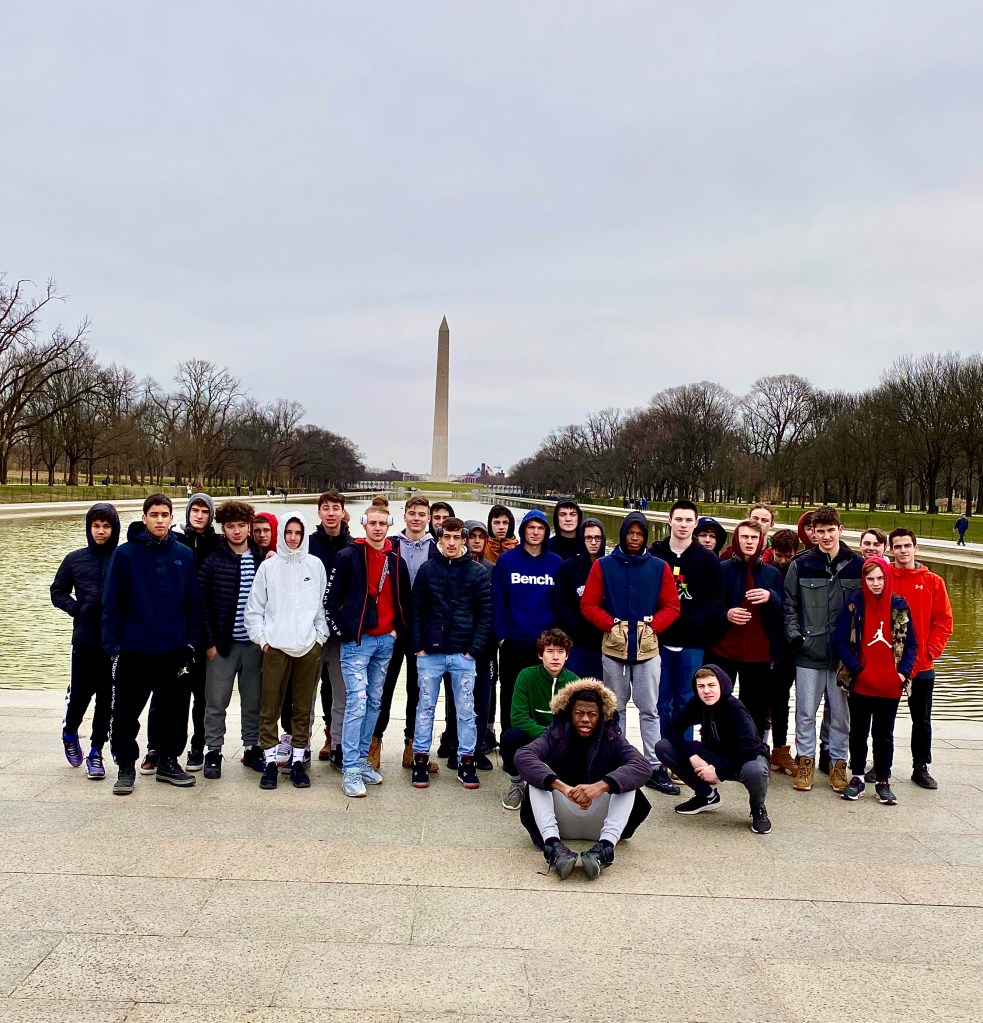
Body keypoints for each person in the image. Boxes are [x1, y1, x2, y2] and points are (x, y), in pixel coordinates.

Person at [102, 494, 201, 795]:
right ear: (144, 518)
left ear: (172, 518)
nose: (160, 519)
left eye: (164, 514)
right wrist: (113, 647)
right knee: (125, 712)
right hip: (135, 650)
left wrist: (190, 642)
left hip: (174, 650)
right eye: (154, 514)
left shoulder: (184, 554)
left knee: (175, 710)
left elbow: (193, 604)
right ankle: (125, 766)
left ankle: (169, 761)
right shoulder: (125, 554)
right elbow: (112, 603)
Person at [580, 511, 681, 795]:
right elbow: (588, 604)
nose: (634, 538)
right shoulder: (603, 565)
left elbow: (672, 606)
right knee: (615, 709)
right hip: (614, 648)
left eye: (639, 533)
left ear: (645, 536)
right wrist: (610, 624)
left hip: (647, 649)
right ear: (623, 534)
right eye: (630, 533)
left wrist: (654, 626)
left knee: (650, 709)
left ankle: (654, 766)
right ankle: (618, 762)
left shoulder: (659, 567)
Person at [514, 679, 652, 879]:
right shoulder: (555, 734)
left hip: (601, 822)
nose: (585, 719)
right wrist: (564, 788)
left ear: (601, 715)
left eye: (592, 714)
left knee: (627, 779)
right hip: (561, 819)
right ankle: (553, 847)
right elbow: (523, 756)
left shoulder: (612, 738)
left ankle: (604, 849)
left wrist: (600, 787)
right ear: (570, 713)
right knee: (538, 774)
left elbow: (643, 766)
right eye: (579, 713)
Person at [325, 500, 411, 798]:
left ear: (389, 526)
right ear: (364, 525)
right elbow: (330, 601)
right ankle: (349, 767)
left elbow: (405, 601)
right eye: (372, 523)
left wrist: (396, 631)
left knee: (375, 701)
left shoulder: (396, 561)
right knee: (357, 702)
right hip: (357, 642)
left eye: (382, 523)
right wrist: (346, 633)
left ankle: (361, 758)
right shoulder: (347, 556)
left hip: (385, 641)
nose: (377, 528)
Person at [783, 506, 863, 793]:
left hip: (844, 656)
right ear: (813, 533)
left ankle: (838, 764)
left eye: (831, 530)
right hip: (809, 651)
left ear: (840, 530)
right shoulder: (801, 565)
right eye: (821, 531)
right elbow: (789, 605)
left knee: (841, 715)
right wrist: (796, 637)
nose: (826, 536)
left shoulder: (857, 565)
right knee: (805, 712)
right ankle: (806, 762)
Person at [245, 513, 328, 790]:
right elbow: (254, 609)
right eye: (288, 532)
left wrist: (319, 638)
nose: (293, 538)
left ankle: (298, 760)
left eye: (298, 533)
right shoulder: (269, 568)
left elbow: (321, 607)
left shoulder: (315, 565)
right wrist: (263, 640)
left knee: (302, 707)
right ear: (282, 533)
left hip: (308, 647)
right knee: (270, 706)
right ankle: (270, 761)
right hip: (276, 647)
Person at [409, 517, 492, 790]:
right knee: (425, 709)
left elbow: (485, 615)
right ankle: (420, 760)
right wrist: (419, 646)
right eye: (447, 537)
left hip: (462, 654)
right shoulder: (427, 569)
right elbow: (416, 610)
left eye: (457, 538)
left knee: (466, 711)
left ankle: (466, 761)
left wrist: (473, 650)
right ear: (440, 539)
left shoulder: (477, 572)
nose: (452, 543)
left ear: (464, 539)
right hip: (430, 652)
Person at [833, 556, 917, 805]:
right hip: (862, 682)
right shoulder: (855, 604)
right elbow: (840, 641)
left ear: (887, 577)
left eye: (880, 578)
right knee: (858, 732)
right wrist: (856, 669)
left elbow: (911, 644)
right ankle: (857, 777)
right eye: (870, 579)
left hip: (890, 684)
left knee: (884, 735)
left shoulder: (899, 605)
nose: (876, 583)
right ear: (864, 580)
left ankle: (883, 780)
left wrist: (903, 673)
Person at [655, 665, 772, 834]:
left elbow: (750, 748)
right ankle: (706, 796)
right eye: (701, 686)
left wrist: (718, 772)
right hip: (714, 753)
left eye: (711, 685)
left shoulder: (734, 708)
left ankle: (758, 808)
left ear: (722, 685)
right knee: (664, 747)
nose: (706, 691)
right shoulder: (697, 703)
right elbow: (672, 728)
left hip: (743, 758)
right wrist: (692, 756)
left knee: (756, 770)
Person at [50, 502, 121, 779]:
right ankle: (70, 732)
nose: (100, 531)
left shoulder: (122, 558)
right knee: (79, 695)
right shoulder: (75, 559)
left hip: (113, 641)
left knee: (107, 698)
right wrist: (77, 608)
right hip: (84, 638)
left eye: (106, 526)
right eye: (96, 526)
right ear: (89, 528)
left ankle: (96, 752)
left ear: (114, 529)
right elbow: (57, 592)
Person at [650, 500, 724, 759]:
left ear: (695, 523)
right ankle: (662, 754)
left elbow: (715, 601)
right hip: (658, 640)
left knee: (686, 700)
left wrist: (689, 622)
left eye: (688, 520)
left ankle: (683, 755)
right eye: (678, 519)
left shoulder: (708, 560)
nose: (683, 525)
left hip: (692, 642)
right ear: (669, 521)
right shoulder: (655, 554)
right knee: (661, 701)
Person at [198, 500, 265, 779]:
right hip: (222, 646)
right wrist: (209, 643)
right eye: (230, 526)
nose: (236, 531)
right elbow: (202, 605)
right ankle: (213, 751)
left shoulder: (262, 559)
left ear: (249, 527)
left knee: (253, 701)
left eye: (241, 525)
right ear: (222, 529)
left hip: (254, 645)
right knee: (216, 701)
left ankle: (252, 747)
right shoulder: (213, 561)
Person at [375, 495, 437, 772]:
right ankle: (374, 743)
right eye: (412, 513)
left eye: (422, 514)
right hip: (393, 629)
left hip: (422, 631)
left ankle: (412, 746)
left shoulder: (436, 549)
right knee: (383, 688)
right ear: (404, 515)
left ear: (428, 518)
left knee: (419, 691)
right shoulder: (390, 545)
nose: (416, 518)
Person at [888, 528, 954, 789]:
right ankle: (882, 765)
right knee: (884, 718)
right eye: (898, 546)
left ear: (916, 548)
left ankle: (921, 766)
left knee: (922, 719)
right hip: (888, 664)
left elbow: (944, 622)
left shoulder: (933, 581)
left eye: (907, 545)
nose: (903, 551)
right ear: (890, 550)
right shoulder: (883, 578)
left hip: (922, 664)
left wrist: (930, 652)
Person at [710, 520, 784, 745]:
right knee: (718, 701)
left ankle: (752, 748)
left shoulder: (772, 573)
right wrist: (727, 614)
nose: (749, 542)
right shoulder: (722, 569)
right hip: (725, 647)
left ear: (761, 541)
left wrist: (770, 597)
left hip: (758, 650)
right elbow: (710, 606)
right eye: (744, 537)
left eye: (754, 538)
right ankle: (717, 746)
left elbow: (783, 611)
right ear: (737, 539)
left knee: (755, 706)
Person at [491, 509, 562, 735]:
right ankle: (509, 739)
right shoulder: (507, 560)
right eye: (531, 527)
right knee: (510, 692)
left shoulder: (555, 562)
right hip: (514, 640)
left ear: (546, 532)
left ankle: (543, 741)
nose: (535, 532)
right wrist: (501, 637)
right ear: (523, 530)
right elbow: (497, 600)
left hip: (545, 642)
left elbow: (560, 603)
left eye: (540, 528)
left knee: (543, 693)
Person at [162, 492, 218, 774]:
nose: (199, 515)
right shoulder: (175, 541)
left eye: (204, 511)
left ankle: (198, 745)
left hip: (206, 629)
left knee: (203, 696)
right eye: (195, 510)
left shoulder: (217, 543)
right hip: (177, 628)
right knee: (173, 694)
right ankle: (163, 748)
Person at [500, 629, 579, 810]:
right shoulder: (526, 676)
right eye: (550, 651)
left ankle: (561, 783)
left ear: (567, 656)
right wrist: (547, 735)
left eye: (560, 652)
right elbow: (519, 718)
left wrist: (558, 737)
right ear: (540, 654)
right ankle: (517, 784)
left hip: (561, 741)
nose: (555, 657)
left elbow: (576, 722)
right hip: (534, 738)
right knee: (510, 737)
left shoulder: (574, 682)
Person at [306, 491, 353, 769]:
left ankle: (338, 745)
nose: (331, 513)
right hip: (310, 630)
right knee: (305, 692)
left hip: (340, 630)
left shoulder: (353, 545)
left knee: (341, 693)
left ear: (343, 512)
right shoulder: (307, 544)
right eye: (326, 508)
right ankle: (301, 746)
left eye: (336, 507)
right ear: (319, 512)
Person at [552, 519, 607, 680]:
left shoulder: (609, 567)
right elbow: (559, 604)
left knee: (599, 690)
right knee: (574, 689)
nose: (593, 542)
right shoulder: (567, 568)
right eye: (588, 538)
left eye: (597, 538)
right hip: (575, 643)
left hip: (602, 643)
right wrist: (576, 628)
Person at [765, 528, 800, 777]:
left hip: (787, 646)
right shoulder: (766, 570)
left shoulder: (797, 571)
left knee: (781, 698)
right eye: (779, 555)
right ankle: (757, 746)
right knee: (756, 698)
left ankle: (779, 747)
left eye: (788, 556)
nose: (783, 560)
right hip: (764, 642)